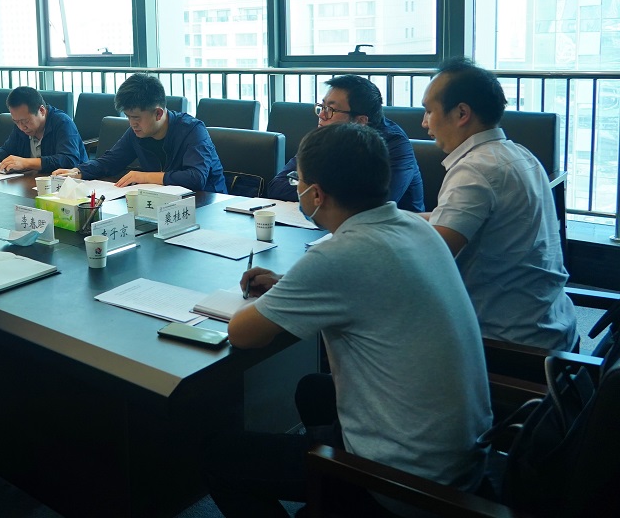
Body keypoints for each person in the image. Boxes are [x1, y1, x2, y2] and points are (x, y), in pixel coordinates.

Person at [207, 123, 491, 518]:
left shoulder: (337, 255)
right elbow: (366, 281)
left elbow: (242, 333)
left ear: (316, 194)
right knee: (312, 389)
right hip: (463, 457)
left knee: (219, 458)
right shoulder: (416, 226)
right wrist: (292, 286)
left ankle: (345, 491)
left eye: (298, 182)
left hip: (406, 482)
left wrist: (270, 296)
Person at [422, 59, 577, 351]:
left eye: (429, 111)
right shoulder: (519, 154)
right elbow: (463, 220)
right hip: (551, 323)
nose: (424, 122)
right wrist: (403, 218)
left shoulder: (475, 169)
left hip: (507, 341)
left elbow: (432, 258)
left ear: (462, 113)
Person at [266, 75, 425, 211]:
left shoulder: (394, 145)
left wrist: (314, 194)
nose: (321, 115)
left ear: (360, 121)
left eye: (331, 109)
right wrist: (328, 197)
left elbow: (376, 204)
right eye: (322, 106)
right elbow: (277, 186)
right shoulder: (323, 136)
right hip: (327, 224)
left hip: (394, 231)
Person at [54, 74, 226, 192]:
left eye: (136, 118)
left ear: (158, 113)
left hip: (207, 204)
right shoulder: (136, 132)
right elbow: (111, 161)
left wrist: (144, 177)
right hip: (163, 203)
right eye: (128, 117)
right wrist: (78, 171)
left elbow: (196, 178)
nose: (132, 123)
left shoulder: (193, 130)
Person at [0, 86, 88, 173]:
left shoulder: (62, 122)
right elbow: (8, 150)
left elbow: (69, 160)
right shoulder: (21, 124)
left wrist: (26, 163)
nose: (21, 127)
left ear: (41, 111)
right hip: (33, 182)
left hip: (69, 185)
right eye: (16, 122)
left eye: (26, 121)